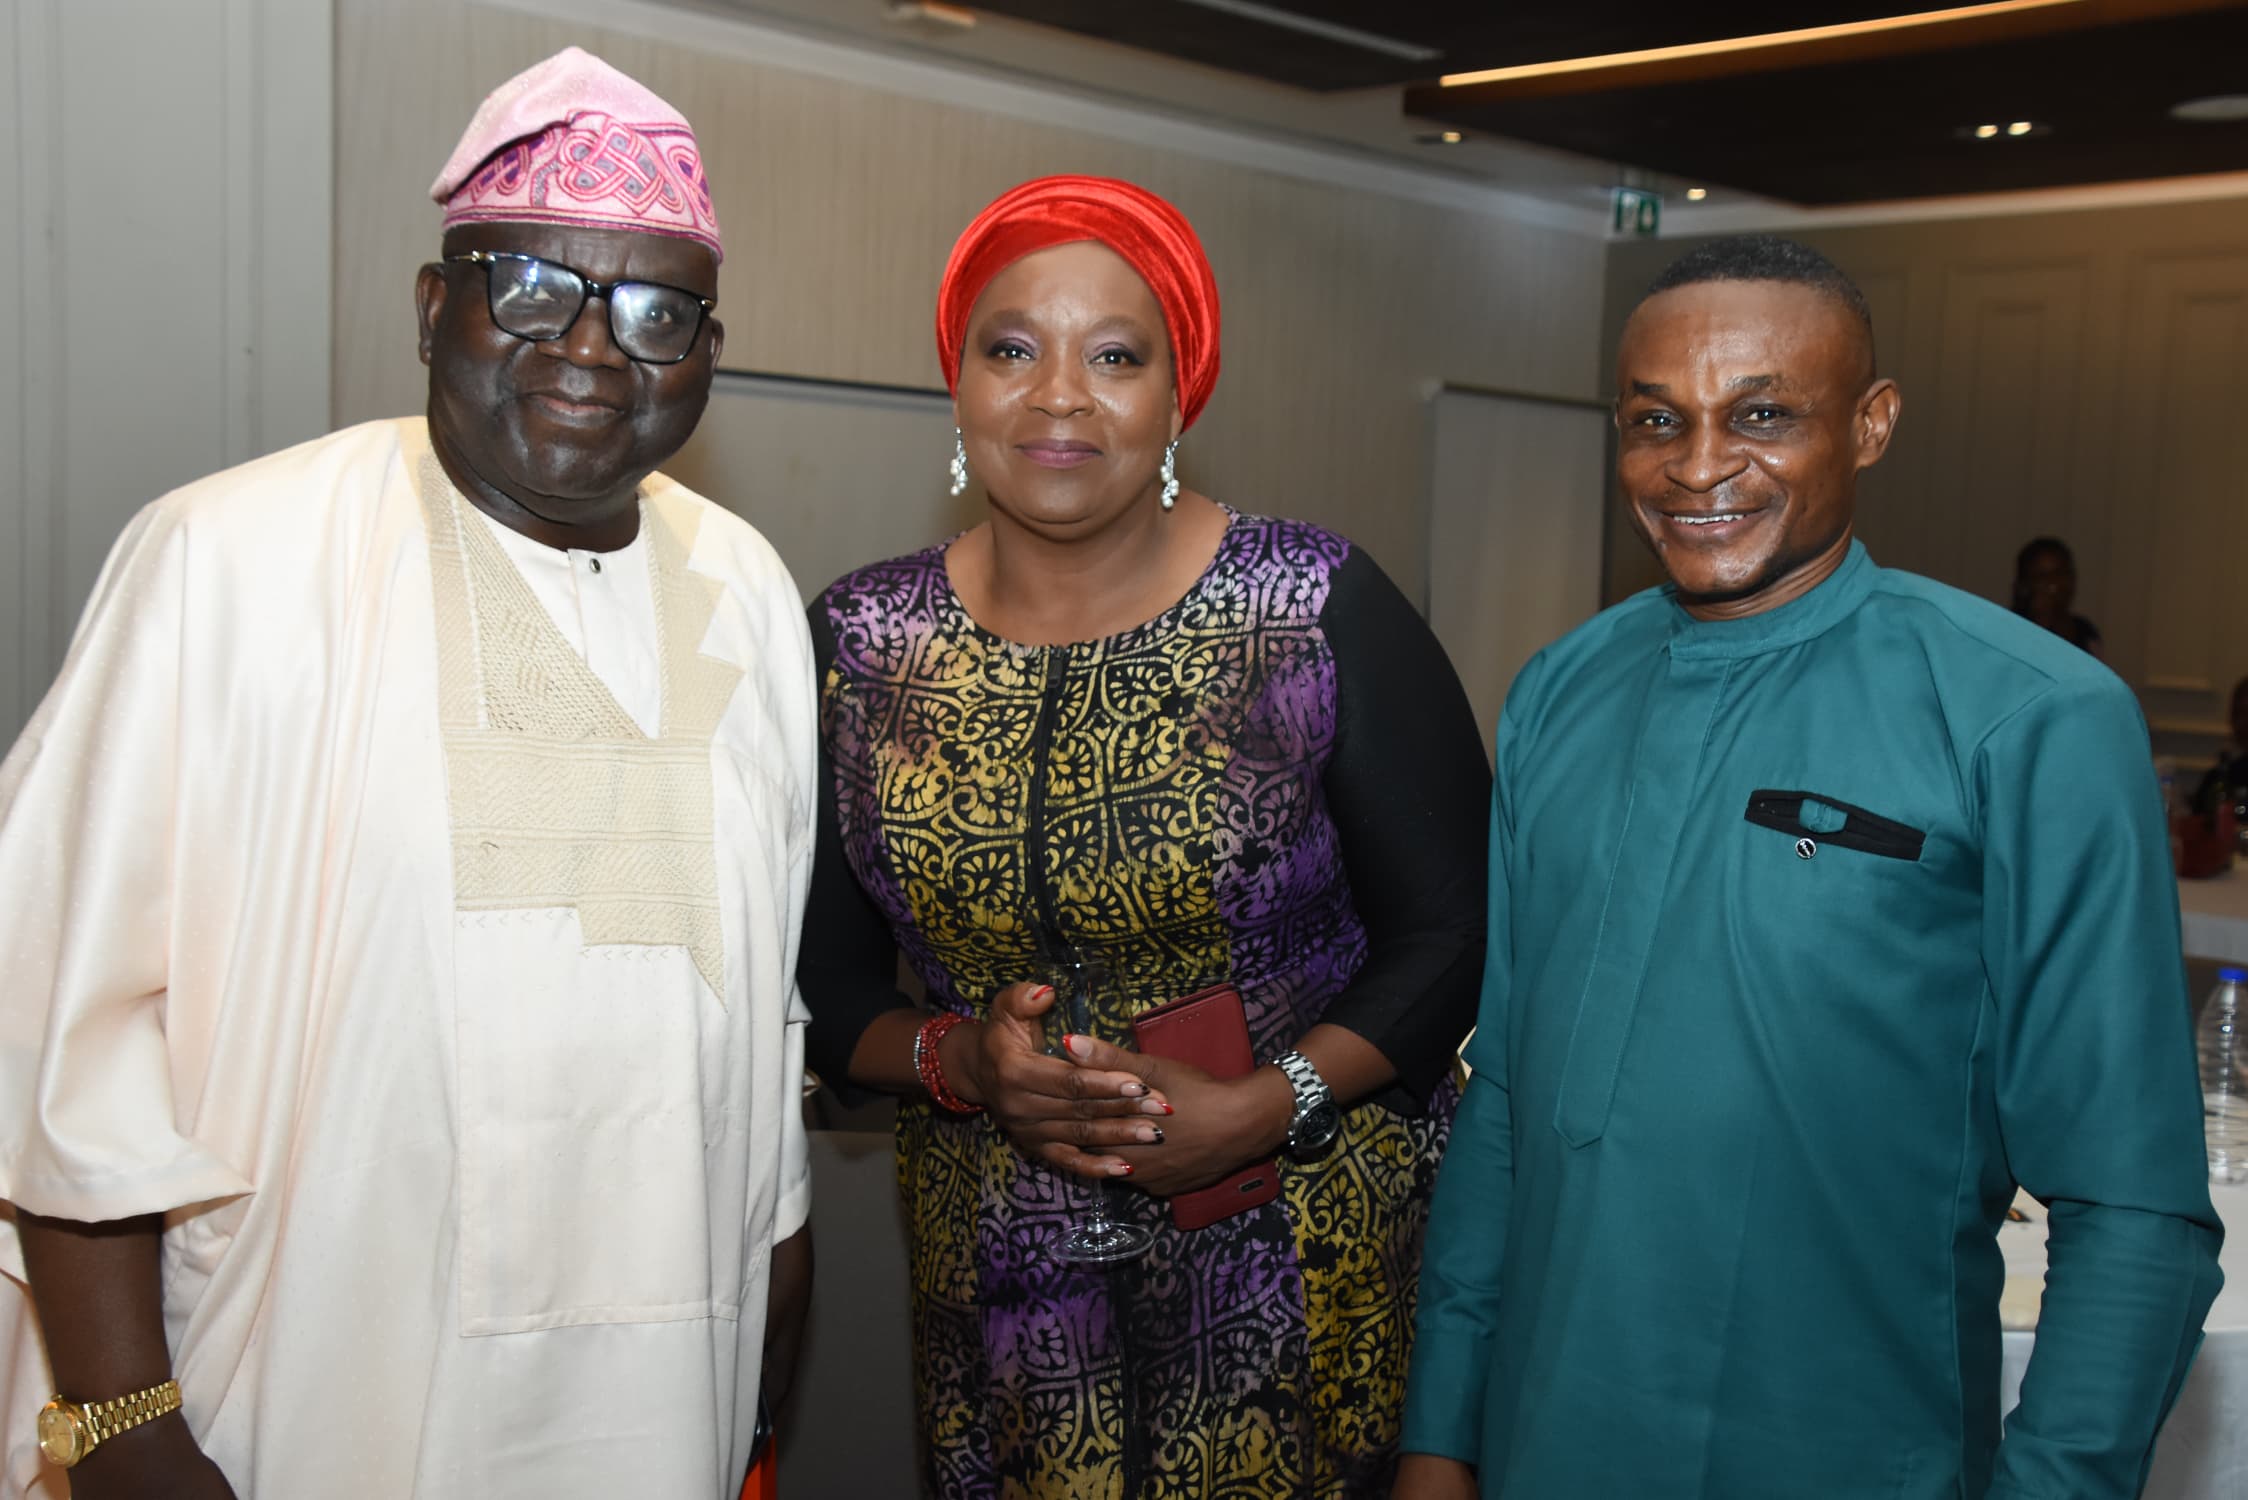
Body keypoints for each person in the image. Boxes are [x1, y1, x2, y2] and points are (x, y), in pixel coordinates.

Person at [0, 48, 814, 1498]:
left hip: (665, 1410)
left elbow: (758, 1036)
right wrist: (124, 1431)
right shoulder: (227, 560)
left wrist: (761, 1409)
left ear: (708, 352)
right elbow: (59, 1023)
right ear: (436, 309)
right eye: (534, 289)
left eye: (657, 311)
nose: (593, 348)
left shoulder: (746, 590)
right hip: (303, 1396)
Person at [1396, 235, 2222, 1500]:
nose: (1697, 465)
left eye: (1761, 415)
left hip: (1849, 1447)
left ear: (1871, 423)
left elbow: (2133, 1205)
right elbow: (1502, 1093)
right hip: (1541, 1440)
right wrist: (1441, 1432)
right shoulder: (1558, 691)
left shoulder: (2027, 715)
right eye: (1655, 420)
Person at [798, 175, 1489, 1498]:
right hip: (1005, 1299)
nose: (1058, 397)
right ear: (959, 384)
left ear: (1181, 397)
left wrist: (1267, 1105)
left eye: (1116, 357)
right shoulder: (864, 645)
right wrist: (960, 1062)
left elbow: (1455, 932)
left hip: (1304, 1268)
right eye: (1012, 349)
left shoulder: (1310, 609)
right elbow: (820, 983)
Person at [2012, 535, 2104, 658]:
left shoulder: (2086, 632)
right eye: (2041, 577)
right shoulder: (2011, 629)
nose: (2052, 584)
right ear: (2023, 585)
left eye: (2059, 574)